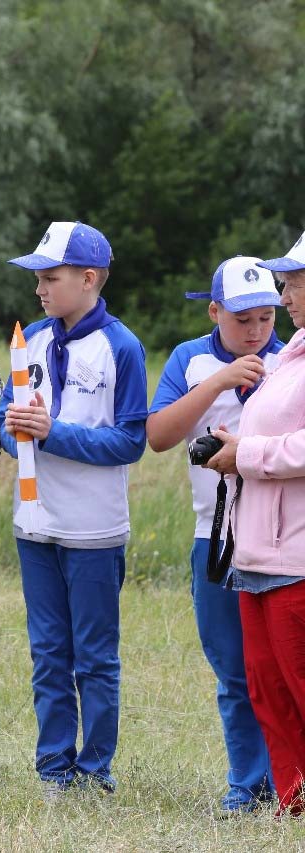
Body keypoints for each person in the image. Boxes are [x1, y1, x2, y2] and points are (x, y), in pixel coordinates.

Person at [0, 221, 147, 795]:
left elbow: (130, 441)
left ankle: (95, 770)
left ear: (88, 279)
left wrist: (52, 432)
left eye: (50, 277)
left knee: (95, 659)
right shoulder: (30, 339)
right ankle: (54, 769)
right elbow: (5, 427)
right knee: (48, 654)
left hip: (94, 529)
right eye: (37, 278)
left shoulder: (123, 347)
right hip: (34, 525)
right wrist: (14, 431)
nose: (39, 288)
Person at [145, 255, 281, 815]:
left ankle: (287, 782)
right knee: (232, 669)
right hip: (215, 534)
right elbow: (157, 435)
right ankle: (247, 785)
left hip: (280, 538)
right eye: (242, 320)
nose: (254, 333)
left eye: (266, 319)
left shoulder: (291, 359)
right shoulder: (189, 358)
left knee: (280, 668)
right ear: (215, 310)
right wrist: (221, 381)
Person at [203, 232, 305, 816]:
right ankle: (294, 805)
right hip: (257, 554)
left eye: (294, 282)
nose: (286, 295)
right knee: (269, 692)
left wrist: (243, 455)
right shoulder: (291, 354)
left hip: (296, 558)